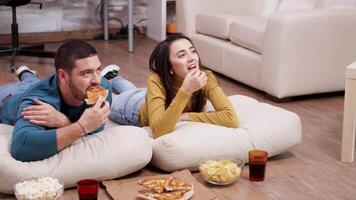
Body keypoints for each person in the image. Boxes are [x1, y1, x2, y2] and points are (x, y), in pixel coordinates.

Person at [0, 39, 116, 162]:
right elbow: (21, 148)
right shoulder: (38, 101)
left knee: (33, 82)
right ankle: (27, 75)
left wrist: (64, 122)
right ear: (63, 76)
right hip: (9, 96)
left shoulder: (101, 88)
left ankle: (27, 74)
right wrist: (80, 127)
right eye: (86, 73)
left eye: (98, 70)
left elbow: (95, 127)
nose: (97, 80)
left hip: (50, 85)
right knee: (28, 85)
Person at [109, 33, 238, 138]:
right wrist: (186, 90)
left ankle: (113, 77)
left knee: (132, 89)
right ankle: (107, 80)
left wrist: (187, 116)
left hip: (148, 96)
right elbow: (158, 130)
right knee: (105, 97)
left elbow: (231, 118)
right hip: (131, 108)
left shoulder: (206, 77)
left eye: (192, 51)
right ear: (169, 67)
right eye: (182, 55)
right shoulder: (156, 81)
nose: (192, 58)